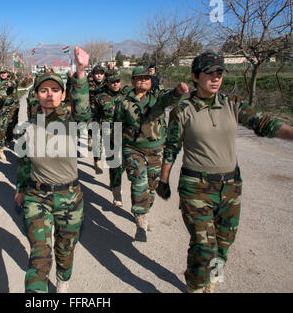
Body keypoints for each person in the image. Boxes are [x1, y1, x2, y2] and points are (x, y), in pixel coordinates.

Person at [157, 52, 293, 293]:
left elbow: (265, 123)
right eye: (209, 73)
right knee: (203, 246)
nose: (215, 78)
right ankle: (196, 286)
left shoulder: (233, 103)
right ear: (195, 76)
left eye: (219, 73)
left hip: (230, 186)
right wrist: (164, 180)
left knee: (224, 243)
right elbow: (171, 148)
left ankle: (213, 280)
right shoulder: (183, 111)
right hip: (195, 187)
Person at [14, 46, 91, 293]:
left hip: (69, 198)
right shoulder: (30, 126)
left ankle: (63, 279)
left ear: (62, 94)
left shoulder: (70, 122)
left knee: (65, 251)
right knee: (39, 256)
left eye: (55, 90)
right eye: (44, 90)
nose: (50, 94)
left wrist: (80, 72)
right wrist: (21, 188)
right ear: (36, 94)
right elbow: (25, 161)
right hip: (37, 198)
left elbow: (83, 112)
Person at [114, 66, 189, 242]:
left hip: (156, 149)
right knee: (139, 181)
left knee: (152, 186)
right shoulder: (123, 102)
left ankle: (144, 211)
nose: (143, 80)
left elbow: (170, 98)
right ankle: (140, 219)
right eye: (139, 78)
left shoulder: (157, 99)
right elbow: (117, 124)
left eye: (146, 78)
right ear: (132, 81)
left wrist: (179, 91)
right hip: (133, 149)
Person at [94, 69, 130, 207]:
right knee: (114, 162)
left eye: (117, 81)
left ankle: (115, 179)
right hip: (109, 132)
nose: (115, 84)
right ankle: (117, 192)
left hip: (126, 131)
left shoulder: (127, 94)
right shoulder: (101, 97)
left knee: (125, 161)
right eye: (112, 82)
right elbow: (96, 117)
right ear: (107, 82)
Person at [88, 65, 107, 174]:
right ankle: (97, 160)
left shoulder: (108, 85)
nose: (99, 75)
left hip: (105, 116)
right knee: (96, 139)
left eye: (101, 73)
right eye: (97, 73)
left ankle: (98, 160)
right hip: (93, 116)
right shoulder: (88, 85)